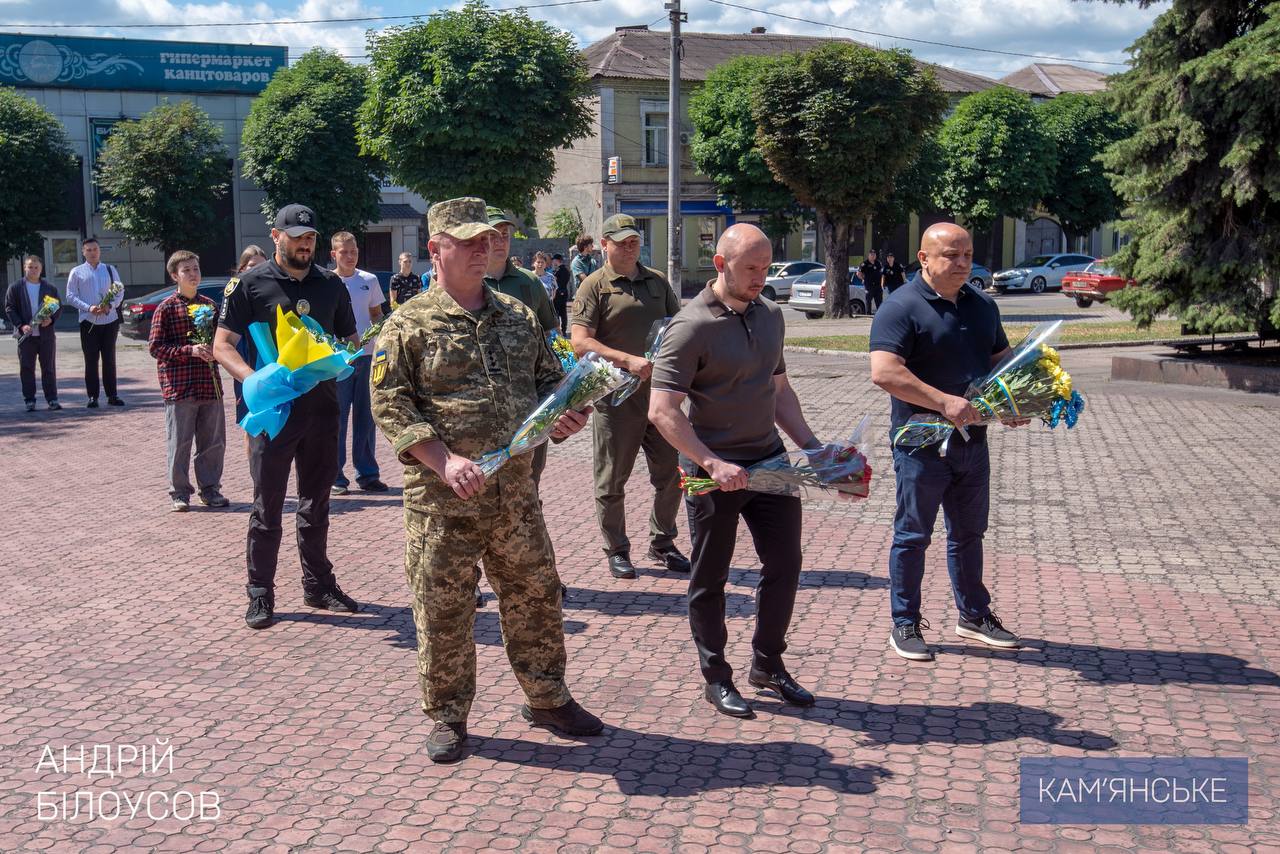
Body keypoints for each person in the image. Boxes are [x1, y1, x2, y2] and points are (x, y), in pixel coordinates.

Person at [370, 197, 603, 764]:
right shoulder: (408, 323)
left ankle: (547, 697)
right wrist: (443, 459)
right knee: (444, 609)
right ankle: (448, 715)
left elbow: (551, 383)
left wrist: (567, 415)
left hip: (515, 497)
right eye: (470, 241)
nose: (485, 249)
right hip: (443, 500)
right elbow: (391, 404)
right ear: (435, 249)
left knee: (536, 597)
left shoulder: (518, 314)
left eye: (490, 239)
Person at [650, 224, 824, 718]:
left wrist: (813, 448)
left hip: (770, 461)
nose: (760, 278)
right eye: (751, 269)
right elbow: (662, 411)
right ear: (721, 264)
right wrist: (711, 461)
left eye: (766, 268)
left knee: (785, 565)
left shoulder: (770, 314)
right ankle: (717, 676)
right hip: (713, 471)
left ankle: (767, 664)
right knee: (711, 576)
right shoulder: (690, 326)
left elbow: (779, 391)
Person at [869, 222, 1025, 662]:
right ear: (923, 258)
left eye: (967, 255)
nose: (962, 264)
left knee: (969, 533)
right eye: (951, 256)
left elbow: (1002, 361)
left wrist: (1014, 400)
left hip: (972, 443)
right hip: (920, 445)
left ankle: (973, 615)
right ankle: (904, 622)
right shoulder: (901, 306)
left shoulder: (982, 305)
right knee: (913, 535)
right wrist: (943, 402)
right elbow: (884, 372)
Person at [213, 204, 361, 630]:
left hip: (323, 410)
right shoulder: (249, 284)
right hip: (275, 413)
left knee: (317, 504)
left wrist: (338, 356)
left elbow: (351, 340)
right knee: (268, 506)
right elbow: (222, 345)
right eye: (296, 237)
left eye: (310, 237)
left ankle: (318, 586)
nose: (304, 244)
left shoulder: (331, 284)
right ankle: (260, 593)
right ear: (276, 237)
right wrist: (254, 379)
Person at [571, 214, 689, 580]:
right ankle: (617, 549)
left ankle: (662, 542)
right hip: (616, 398)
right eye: (621, 241)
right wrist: (627, 360)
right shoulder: (594, 285)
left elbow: (679, 328)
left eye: (634, 240)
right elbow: (580, 343)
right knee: (612, 480)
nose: (630, 247)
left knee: (672, 474)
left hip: (660, 399)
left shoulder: (657, 281)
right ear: (604, 244)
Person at [148, 250, 228, 512]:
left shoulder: (210, 306)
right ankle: (180, 493)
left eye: (196, 269)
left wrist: (215, 352)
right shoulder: (166, 308)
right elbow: (156, 348)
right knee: (179, 442)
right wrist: (189, 350)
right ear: (175, 276)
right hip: (180, 387)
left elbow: (222, 342)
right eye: (186, 270)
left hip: (209, 384)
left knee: (213, 443)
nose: (193, 274)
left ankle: (210, 489)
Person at [330, 231, 387, 495]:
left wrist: (380, 335)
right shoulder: (327, 282)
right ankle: (335, 476)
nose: (350, 256)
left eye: (353, 252)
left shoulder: (369, 280)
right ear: (334, 254)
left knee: (366, 417)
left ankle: (367, 473)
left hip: (367, 357)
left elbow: (377, 314)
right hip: (338, 360)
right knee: (337, 418)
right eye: (344, 252)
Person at [64, 237, 125, 408]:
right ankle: (93, 397)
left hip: (110, 320)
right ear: (83, 252)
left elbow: (120, 291)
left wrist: (110, 305)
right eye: (89, 250)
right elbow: (70, 296)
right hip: (88, 321)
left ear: (99, 251)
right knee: (91, 360)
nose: (92, 253)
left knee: (109, 359)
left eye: (95, 249)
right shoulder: (76, 272)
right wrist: (88, 307)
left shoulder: (110, 269)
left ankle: (112, 395)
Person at [5, 255, 62, 412]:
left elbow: (58, 307)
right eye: (30, 267)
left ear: (41, 269)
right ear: (25, 268)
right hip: (26, 337)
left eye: (36, 267)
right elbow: (10, 308)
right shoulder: (15, 287)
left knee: (49, 368)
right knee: (27, 369)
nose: (33, 270)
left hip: (46, 337)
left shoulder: (50, 288)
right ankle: (29, 400)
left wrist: (51, 319)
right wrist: (21, 325)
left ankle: (52, 399)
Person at [231, 245, 269, 439]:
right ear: (242, 269)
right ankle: (253, 460)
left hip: (270, 362)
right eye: (252, 266)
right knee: (252, 424)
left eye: (262, 266)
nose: (257, 271)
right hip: (246, 361)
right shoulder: (235, 295)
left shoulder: (272, 294)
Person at [859, 249, 884, 314]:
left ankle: (880, 314)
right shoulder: (864, 264)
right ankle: (868, 314)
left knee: (879, 301)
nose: (873, 256)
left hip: (878, 285)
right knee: (868, 300)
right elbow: (858, 273)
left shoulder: (878, 263)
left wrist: (882, 284)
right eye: (871, 255)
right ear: (869, 255)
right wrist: (863, 279)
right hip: (869, 286)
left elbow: (882, 274)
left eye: (874, 255)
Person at [551, 253, 571, 332]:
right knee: (563, 312)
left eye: (554, 260)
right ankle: (563, 330)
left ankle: (559, 330)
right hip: (564, 292)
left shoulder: (559, 270)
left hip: (559, 293)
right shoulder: (565, 270)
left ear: (557, 260)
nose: (553, 262)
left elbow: (557, 282)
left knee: (557, 312)